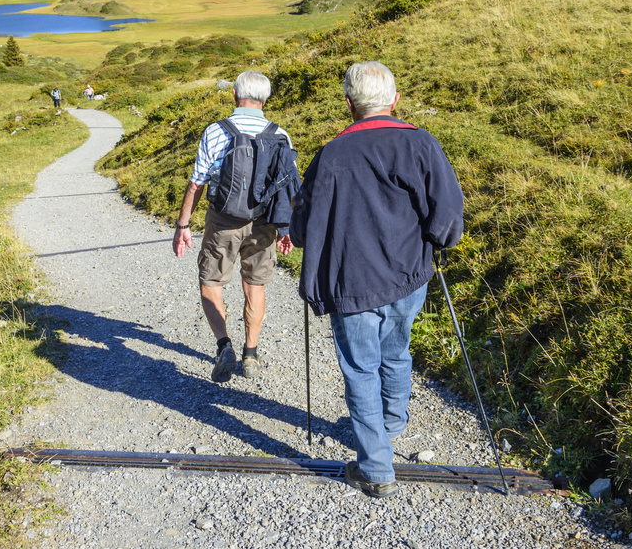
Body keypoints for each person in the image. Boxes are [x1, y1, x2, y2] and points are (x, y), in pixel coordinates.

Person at [290, 61, 464, 498]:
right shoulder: (420, 144)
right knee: (397, 351)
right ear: (394, 100)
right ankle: (392, 423)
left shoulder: (332, 154)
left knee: (360, 369)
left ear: (349, 104)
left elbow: (302, 223)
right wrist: (436, 241)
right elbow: (448, 217)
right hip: (409, 277)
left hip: (352, 283)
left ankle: (376, 467)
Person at [173, 71, 297, 382]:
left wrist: (183, 224)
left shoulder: (216, 131)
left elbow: (196, 183)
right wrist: (288, 229)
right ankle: (251, 353)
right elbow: (289, 187)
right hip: (265, 225)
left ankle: (223, 345)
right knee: (254, 286)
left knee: (211, 282)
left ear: (234, 95)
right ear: (265, 100)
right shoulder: (280, 134)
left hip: (223, 221)